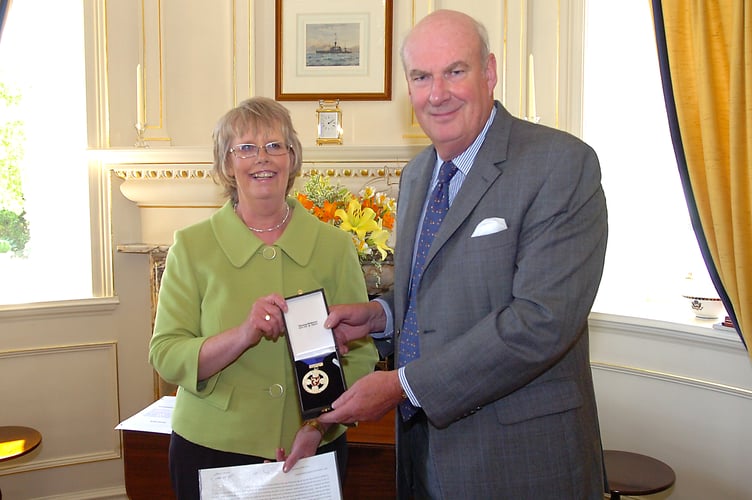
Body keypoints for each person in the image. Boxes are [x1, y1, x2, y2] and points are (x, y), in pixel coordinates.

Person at [314, 9, 609, 499]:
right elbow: (439, 291)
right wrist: (380, 317)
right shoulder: (416, 176)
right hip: (424, 460)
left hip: (520, 462)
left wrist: (402, 387)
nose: (437, 93)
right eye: (421, 77)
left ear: (489, 72)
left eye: (455, 71)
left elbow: (540, 322)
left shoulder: (561, 164)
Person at [149, 97, 378, 499]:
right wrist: (243, 334)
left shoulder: (334, 245)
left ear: (292, 158)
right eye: (247, 148)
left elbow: (359, 355)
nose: (263, 158)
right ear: (226, 163)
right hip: (211, 448)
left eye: (276, 146)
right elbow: (167, 355)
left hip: (311, 449)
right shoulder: (192, 246)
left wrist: (317, 427)